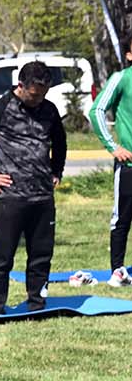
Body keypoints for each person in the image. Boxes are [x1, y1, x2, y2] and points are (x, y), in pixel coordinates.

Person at [0, 60, 65, 315]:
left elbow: (60, 142)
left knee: (41, 256)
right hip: (10, 198)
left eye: (43, 94)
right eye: (34, 94)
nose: (38, 99)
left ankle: (37, 304)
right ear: (21, 86)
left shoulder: (49, 109)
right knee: (2, 257)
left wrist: (56, 170)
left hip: (42, 196)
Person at [88, 40, 132, 286]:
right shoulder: (122, 78)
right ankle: (118, 270)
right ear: (129, 55)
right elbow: (96, 111)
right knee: (122, 218)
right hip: (129, 167)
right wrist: (113, 147)